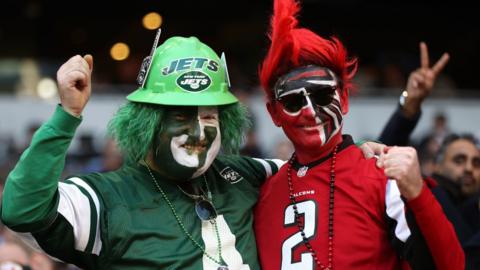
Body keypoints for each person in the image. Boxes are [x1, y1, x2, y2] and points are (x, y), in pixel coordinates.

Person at [1, 33, 285, 269]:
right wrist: (67, 115)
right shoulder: (109, 199)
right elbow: (22, 211)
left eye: (209, 117)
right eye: (181, 117)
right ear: (146, 123)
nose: (199, 132)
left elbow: (315, 170)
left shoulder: (246, 174)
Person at [254, 0, 464, 269]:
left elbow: (452, 265)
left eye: (321, 95)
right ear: (274, 113)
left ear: (343, 99)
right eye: (293, 101)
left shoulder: (382, 177)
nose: (309, 111)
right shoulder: (261, 192)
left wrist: (417, 192)